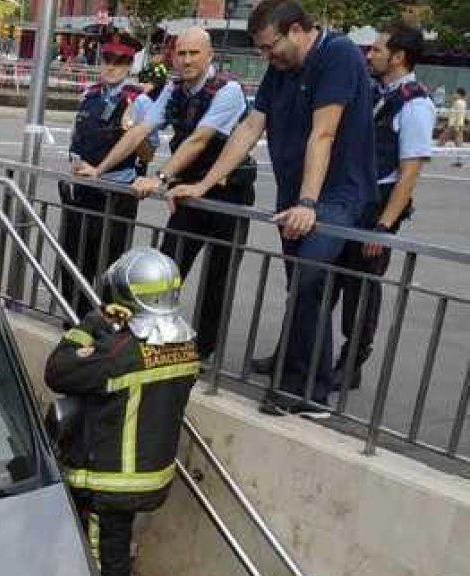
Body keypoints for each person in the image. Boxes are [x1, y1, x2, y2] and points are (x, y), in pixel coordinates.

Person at [167, 0, 375, 418]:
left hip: (335, 196)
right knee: (301, 284)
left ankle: (306, 390)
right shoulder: (280, 69)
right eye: (261, 49)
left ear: (297, 29)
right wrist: (205, 183)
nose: (267, 56)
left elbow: (324, 133)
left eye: (270, 46)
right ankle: (303, 380)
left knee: (310, 279)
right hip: (296, 195)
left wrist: (309, 202)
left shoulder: (338, 55)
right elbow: (249, 128)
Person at [44, 247, 199, 576]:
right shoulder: (187, 347)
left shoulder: (120, 355)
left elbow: (59, 370)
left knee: (102, 568)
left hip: (109, 483)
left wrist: (93, 322)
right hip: (151, 477)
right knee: (111, 559)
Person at [87, 28, 257, 363]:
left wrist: (159, 177)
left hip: (227, 193)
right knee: (166, 271)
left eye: (195, 53)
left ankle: (202, 353)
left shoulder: (228, 90)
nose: (188, 60)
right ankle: (153, 339)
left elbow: (199, 139)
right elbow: (141, 129)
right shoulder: (174, 88)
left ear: (209, 55)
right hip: (186, 191)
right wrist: (100, 169)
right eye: (182, 53)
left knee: (218, 280)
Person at [330, 24, 435, 389]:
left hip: (375, 208)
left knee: (360, 289)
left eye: (376, 49)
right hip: (346, 200)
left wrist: (384, 227)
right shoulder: (374, 91)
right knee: (322, 280)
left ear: (399, 56)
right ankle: (297, 351)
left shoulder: (416, 103)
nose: (369, 55)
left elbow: (408, 173)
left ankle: (351, 362)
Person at [62, 32, 151, 317]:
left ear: (130, 64)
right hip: (83, 191)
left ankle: (104, 326)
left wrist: (132, 132)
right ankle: (73, 319)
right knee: (74, 261)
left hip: (114, 196)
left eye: (121, 60)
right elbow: (78, 137)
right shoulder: (89, 94)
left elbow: (148, 155)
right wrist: (75, 161)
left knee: (109, 267)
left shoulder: (138, 101)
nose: (112, 66)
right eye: (108, 58)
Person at [449, 88, 466, 168]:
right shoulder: (463, 102)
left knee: (458, 144)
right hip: (459, 125)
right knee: (458, 144)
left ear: (459, 94)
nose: (454, 95)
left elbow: (457, 115)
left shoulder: (458, 102)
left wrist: (455, 126)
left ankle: (459, 161)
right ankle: (459, 161)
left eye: (455, 93)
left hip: (457, 125)